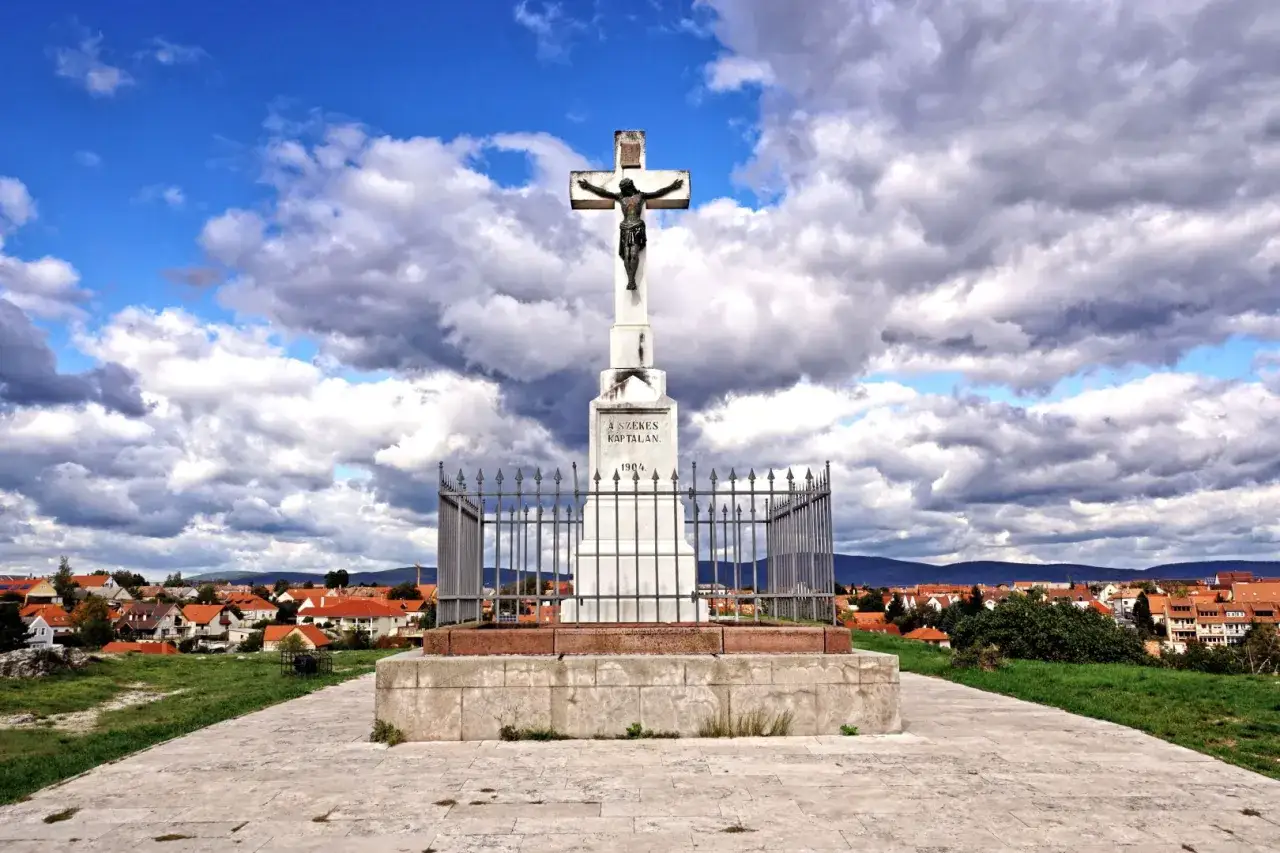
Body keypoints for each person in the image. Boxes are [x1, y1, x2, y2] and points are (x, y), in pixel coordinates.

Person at [576, 176, 684, 290]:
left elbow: (657, 193)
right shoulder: (620, 197)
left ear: (630, 187)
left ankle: (632, 280)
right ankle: (630, 280)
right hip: (625, 228)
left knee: (634, 254)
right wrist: (588, 187)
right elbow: (604, 193)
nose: (622, 191)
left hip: (637, 227)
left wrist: (672, 187)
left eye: (624, 188)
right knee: (626, 256)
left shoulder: (641, 196)